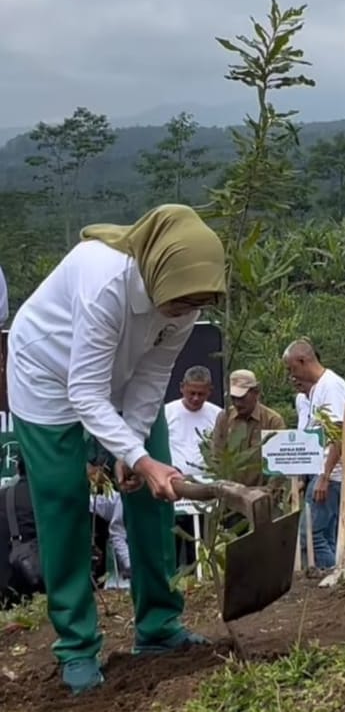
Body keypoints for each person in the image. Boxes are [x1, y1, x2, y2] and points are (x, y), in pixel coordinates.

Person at [6, 204, 225, 694]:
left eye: (192, 305)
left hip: (121, 378)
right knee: (63, 503)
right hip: (50, 377)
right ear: (156, 269)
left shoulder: (186, 296)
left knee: (154, 493)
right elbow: (84, 390)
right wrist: (139, 456)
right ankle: (77, 647)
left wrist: (135, 451)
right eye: (178, 303)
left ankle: (159, 626)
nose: (184, 312)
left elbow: (151, 375)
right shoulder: (105, 279)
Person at [283, 340, 345, 569]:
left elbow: (339, 433)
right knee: (326, 536)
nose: (291, 375)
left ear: (302, 361)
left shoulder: (331, 386)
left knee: (311, 537)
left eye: (292, 368)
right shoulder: (318, 389)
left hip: (333, 474)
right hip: (323, 473)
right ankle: (338, 577)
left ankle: (335, 577)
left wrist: (325, 476)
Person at [165, 365, 221, 564]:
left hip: (205, 489)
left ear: (210, 391)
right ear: (182, 388)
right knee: (172, 542)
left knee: (200, 544)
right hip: (175, 488)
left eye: (201, 394)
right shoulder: (167, 413)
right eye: (192, 393)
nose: (196, 398)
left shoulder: (218, 415)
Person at [212, 370, 286, 488]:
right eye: (233, 398)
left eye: (242, 398)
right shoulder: (224, 418)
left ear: (256, 393)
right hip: (230, 492)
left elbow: (279, 465)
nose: (237, 403)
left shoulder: (273, 421)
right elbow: (216, 456)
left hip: (262, 494)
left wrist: (269, 491)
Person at [0, 456, 40, 608]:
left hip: (5, 593)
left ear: (18, 469)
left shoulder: (3, 496)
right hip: (41, 594)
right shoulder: (48, 499)